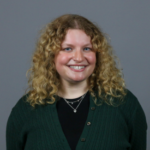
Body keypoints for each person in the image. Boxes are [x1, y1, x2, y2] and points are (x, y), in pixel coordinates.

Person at [6, 14, 147, 150]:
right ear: (51, 55)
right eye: (68, 49)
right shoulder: (25, 110)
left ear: (97, 55)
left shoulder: (125, 104)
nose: (79, 58)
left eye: (87, 49)